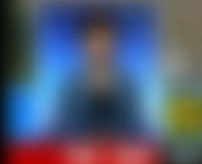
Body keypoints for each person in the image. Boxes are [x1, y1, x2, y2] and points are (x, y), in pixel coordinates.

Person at [54, 9, 143, 138]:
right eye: (94, 40)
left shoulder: (128, 85)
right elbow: (60, 130)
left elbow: (136, 129)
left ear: (115, 45)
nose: (99, 47)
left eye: (105, 40)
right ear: (83, 45)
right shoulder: (69, 86)